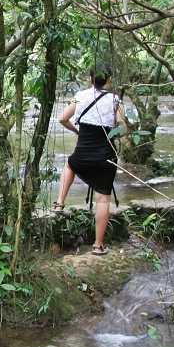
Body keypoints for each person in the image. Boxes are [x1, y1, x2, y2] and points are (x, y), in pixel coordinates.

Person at [52, 64, 125, 255]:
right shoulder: (115, 99)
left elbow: (62, 118)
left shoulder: (81, 96)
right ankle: (98, 246)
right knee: (103, 200)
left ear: (90, 79)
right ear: (109, 80)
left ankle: (60, 202)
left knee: (70, 164)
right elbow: (121, 127)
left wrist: (77, 130)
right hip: (105, 157)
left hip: (82, 155)